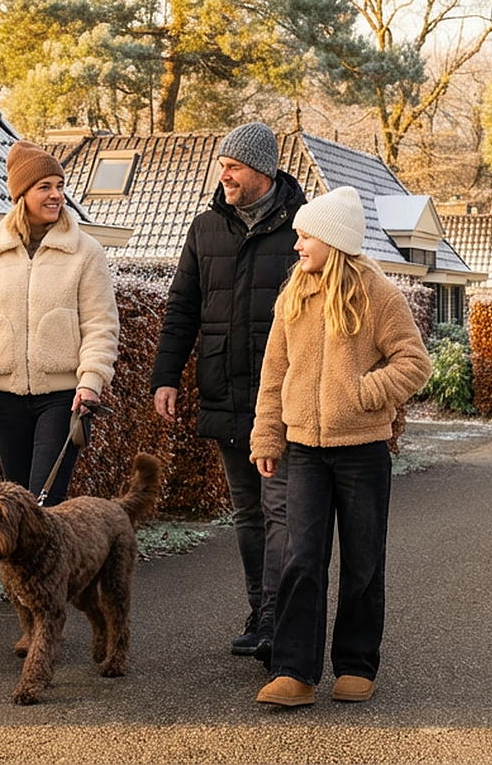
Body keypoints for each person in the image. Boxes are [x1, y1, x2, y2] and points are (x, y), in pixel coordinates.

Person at [250, 185, 430, 708]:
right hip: (304, 449)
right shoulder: (294, 296)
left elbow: (414, 363)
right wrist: (268, 435)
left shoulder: (379, 295)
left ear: (335, 240)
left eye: (307, 236)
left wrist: (362, 392)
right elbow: (273, 372)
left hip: (362, 451)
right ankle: (294, 672)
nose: (297, 245)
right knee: (300, 558)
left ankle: (355, 666)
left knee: (363, 561)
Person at [150, 122, 306, 656]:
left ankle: (277, 618)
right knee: (247, 509)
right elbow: (182, 309)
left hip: (281, 398)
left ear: (261, 171)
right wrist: (165, 376)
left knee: (279, 509)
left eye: (233, 166)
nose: (224, 175)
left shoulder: (303, 230)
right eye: (222, 165)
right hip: (222, 392)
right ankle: (261, 610)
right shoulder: (205, 229)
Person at [0, 140, 119, 506]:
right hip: (4, 400)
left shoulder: (85, 252)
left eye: (60, 186)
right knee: (19, 505)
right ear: (21, 194)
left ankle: (54, 565)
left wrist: (91, 382)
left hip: (64, 399)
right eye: (45, 187)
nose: (57, 195)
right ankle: (32, 567)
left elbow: (101, 326)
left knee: (45, 501)